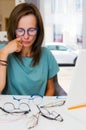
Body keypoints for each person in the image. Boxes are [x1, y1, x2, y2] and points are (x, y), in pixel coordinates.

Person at [0, 3, 59, 96]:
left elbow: (51, 88)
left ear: (38, 30)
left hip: (38, 109)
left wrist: (42, 108)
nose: (26, 36)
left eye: (31, 30)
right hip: (10, 108)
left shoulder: (46, 54)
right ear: (13, 30)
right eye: (20, 30)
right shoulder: (3, 51)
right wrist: (4, 53)